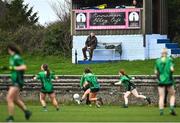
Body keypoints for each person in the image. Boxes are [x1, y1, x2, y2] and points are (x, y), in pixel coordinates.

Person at [6, 44, 32, 122]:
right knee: (15, 99)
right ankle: (27, 112)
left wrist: (13, 68)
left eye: (8, 49)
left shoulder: (17, 57)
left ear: (10, 49)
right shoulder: (12, 58)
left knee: (9, 98)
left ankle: (11, 117)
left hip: (18, 80)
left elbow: (24, 67)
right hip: (14, 80)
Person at [155, 48, 176, 116]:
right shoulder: (169, 60)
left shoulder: (157, 61)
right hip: (169, 80)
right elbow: (172, 69)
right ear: (167, 53)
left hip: (161, 80)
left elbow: (156, 72)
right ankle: (172, 108)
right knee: (172, 94)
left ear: (161, 53)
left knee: (161, 96)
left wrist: (159, 77)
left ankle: (161, 111)